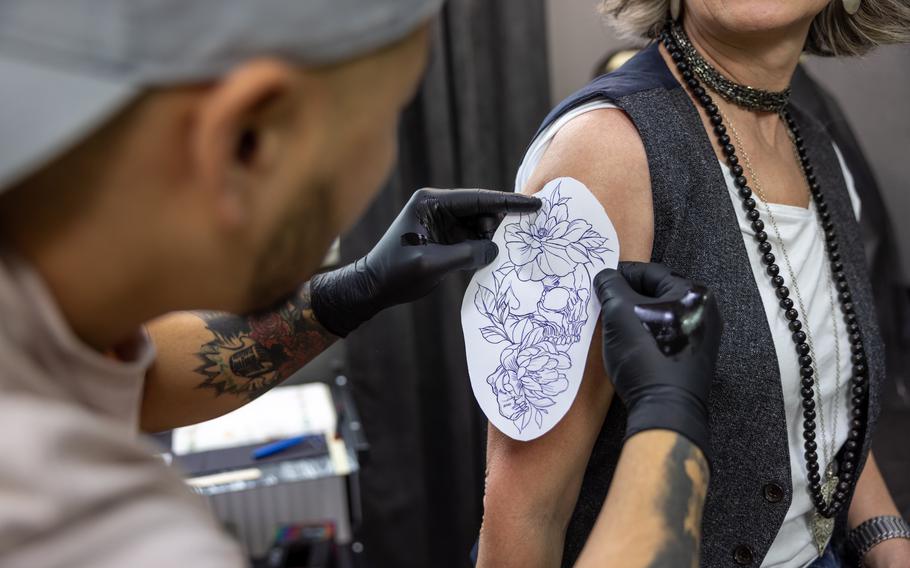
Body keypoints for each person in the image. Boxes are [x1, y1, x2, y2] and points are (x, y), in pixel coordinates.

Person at [0, 1, 548, 566]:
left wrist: (350, 293)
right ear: (249, 141)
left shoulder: (47, 315)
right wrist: (646, 445)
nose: (384, 158)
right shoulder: (100, 539)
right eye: (388, 118)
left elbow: (139, 381)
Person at [479, 1, 910, 567]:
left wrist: (886, 537)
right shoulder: (602, 153)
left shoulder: (818, 151)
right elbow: (527, 513)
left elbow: (818, 403)